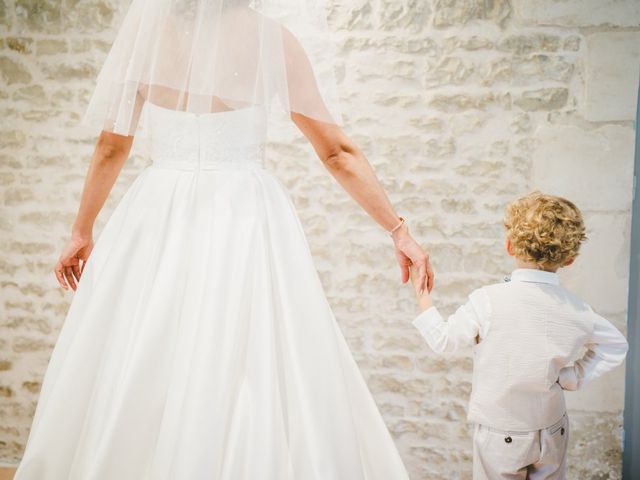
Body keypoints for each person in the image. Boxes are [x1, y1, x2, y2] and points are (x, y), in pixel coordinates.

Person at [14, 1, 433, 479]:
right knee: (245, 352)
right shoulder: (274, 41)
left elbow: (113, 145)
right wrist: (399, 231)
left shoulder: (146, 35)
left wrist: (81, 230)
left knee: (147, 343)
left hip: (159, 209)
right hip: (244, 215)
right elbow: (336, 153)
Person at [409, 191, 628, 480]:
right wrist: (571, 376)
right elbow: (615, 345)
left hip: (500, 435)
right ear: (571, 259)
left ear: (509, 245)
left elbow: (444, 340)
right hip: (552, 428)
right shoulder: (578, 310)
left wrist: (421, 293)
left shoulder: (487, 301)